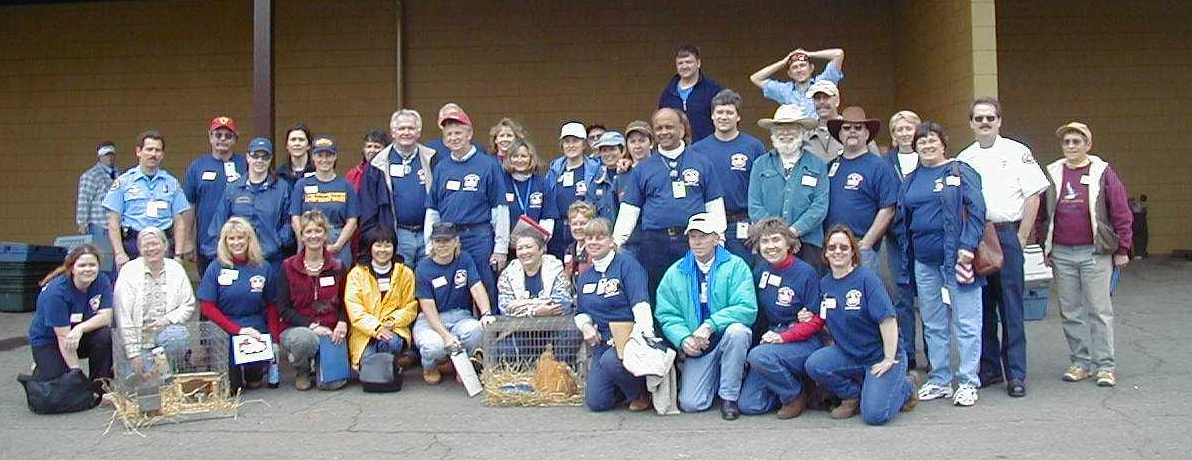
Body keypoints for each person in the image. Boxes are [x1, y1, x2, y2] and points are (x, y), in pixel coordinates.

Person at [957, 96, 1049, 397]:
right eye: (979, 118)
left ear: (999, 121)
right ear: (971, 123)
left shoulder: (1017, 151)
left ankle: (1016, 374)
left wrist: (1022, 237)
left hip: (1008, 233)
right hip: (978, 235)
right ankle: (989, 369)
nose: (985, 123)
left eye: (990, 118)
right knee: (981, 306)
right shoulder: (964, 159)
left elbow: (1034, 195)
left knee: (1011, 307)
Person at [898, 122, 987, 407]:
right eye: (921, 141)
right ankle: (939, 379)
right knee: (934, 323)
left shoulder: (959, 171)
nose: (926, 145)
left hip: (958, 259)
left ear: (943, 142)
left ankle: (968, 382)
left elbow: (977, 212)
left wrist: (968, 247)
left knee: (966, 321)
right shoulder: (911, 178)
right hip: (924, 261)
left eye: (932, 140)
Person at [1044, 122, 1133, 388]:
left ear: (1088, 145)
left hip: (1095, 252)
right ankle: (1080, 362)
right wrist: (1044, 245)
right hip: (1061, 252)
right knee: (1070, 311)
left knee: (1099, 310)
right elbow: (1042, 214)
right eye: (1067, 142)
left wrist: (1123, 248)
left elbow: (1120, 211)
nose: (1071, 146)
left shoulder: (1103, 173)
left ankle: (1105, 366)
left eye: (1076, 142)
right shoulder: (1052, 173)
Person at [805, 226, 922, 425]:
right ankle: (854, 395)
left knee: (875, 416)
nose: (838, 251)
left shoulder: (867, 279)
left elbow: (888, 320)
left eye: (844, 247)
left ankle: (906, 386)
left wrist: (888, 358)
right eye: (832, 247)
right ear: (825, 252)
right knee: (814, 364)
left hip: (880, 355)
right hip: (849, 354)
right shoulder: (825, 284)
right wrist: (805, 314)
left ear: (853, 251)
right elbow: (820, 314)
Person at [614, 108, 726, 298]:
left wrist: (719, 238)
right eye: (659, 128)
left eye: (669, 127)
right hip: (654, 244)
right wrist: (616, 241)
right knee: (657, 294)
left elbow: (714, 204)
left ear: (682, 130)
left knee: (696, 293)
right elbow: (629, 209)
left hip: (693, 240)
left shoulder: (702, 162)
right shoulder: (643, 169)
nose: (663, 132)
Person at [655, 213, 757, 420]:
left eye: (703, 236)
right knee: (692, 404)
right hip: (698, 345)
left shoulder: (736, 266)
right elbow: (667, 314)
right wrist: (683, 339)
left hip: (725, 337)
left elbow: (747, 308)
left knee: (739, 332)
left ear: (717, 238)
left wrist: (710, 325)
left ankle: (729, 397)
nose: (697, 242)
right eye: (693, 237)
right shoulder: (675, 272)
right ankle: (720, 374)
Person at [423, 105, 509, 309]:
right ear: (444, 138)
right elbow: (432, 210)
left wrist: (501, 248)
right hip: (447, 238)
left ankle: (491, 335)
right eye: (449, 134)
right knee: (454, 290)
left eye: (458, 133)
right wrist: (429, 244)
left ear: (469, 134)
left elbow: (500, 208)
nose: (454, 138)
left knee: (486, 287)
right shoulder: (442, 167)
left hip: (479, 236)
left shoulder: (488, 165)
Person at [738, 218, 823, 418]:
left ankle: (795, 395)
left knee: (759, 356)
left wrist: (784, 337)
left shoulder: (806, 273)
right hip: (771, 338)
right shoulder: (760, 271)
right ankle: (795, 382)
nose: (771, 247)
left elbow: (816, 320)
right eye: (765, 242)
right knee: (750, 405)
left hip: (802, 340)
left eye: (776, 240)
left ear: (788, 243)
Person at [573, 218, 652, 412]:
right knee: (597, 403)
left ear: (611, 241)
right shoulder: (585, 276)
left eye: (600, 237)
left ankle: (640, 393)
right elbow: (581, 312)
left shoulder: (627, 265)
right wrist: (586, 327)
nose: (593, 242)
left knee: (611, 361)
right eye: (589, 238)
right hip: (602, 343)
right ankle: (620, 387)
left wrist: (645, 336)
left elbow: (640, 303)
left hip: (629, 339)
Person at [198, 217, 282, 392]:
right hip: (225, 327)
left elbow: (272, 306)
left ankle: (257, 370)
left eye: (241, 238)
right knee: (232, 389)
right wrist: (238, 330)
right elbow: (207, 307)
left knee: (254, 383)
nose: (236, 243)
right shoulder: (215, 267)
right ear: (225, 242)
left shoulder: (263, 267)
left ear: (249, 239)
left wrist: (274, 339)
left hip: (254, 325)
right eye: (231, 238)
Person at [413, 223, 496, 384]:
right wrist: (446, 336)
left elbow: (476, 287)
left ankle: (467, 366)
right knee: (434, 346)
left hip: (460, 316)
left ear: (456, 241)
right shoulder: (423, 267)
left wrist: (486, 313)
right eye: (438, 241)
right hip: (431, 319)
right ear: (432, 243)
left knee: (476, 330)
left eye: (447, 240)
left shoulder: (464, 258)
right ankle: (430, 366)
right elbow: (427, 306)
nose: (442, 245)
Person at [749, 104, 829, 272]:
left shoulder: (818, 165)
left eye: (791, 127)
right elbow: (754, 205)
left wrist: (793, 232)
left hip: (808, 244)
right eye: (780, 128)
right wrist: (778, 235)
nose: (785, 133)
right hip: (769, 245)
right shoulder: (760, 164)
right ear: (772, 134)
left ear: (802, 131)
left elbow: (820, 206)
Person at [277, 211, 350, 391]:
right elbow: (283, 309)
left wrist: (342, 321)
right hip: (299, 329)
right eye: (308, 232)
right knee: (304, 340)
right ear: (301, 236)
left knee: (332, 384)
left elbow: (346, 301)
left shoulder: (338, 267)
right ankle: (302, 371)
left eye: (318, 231)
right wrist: (312, 326)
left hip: (331, 331)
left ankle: (322, 366)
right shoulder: (288, 266)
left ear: (325, 235)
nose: (313, 236)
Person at [27, 245, 113, 395]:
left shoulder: (101, 280)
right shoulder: (56, 293)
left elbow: (106, 317)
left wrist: (80, 328)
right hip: (51, 341)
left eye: (92, 265)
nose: (88, 269)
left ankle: (100, 385)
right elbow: (63, 338)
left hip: (78, 334)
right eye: (82, 265)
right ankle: (41, 366)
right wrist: (77, 375)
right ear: (72, 268)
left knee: (104, 335)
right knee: (61, 385)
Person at [692, 89, 767, 261]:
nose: (724, 117)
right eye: (719, 112)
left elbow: (764, 188)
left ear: (738, 116)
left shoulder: (754, 147)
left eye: (729, 112)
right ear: (712, 116)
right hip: (707, 225)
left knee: (744, 273)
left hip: (742, 223)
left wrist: (758, 223)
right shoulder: (697, 150)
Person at [824, 106, 900, 272]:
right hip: (832, 247)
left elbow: (888, 209)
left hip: (861, 245)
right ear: (840, 134)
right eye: (847, 128)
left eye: (858, 128)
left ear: (867, 134)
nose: (852, 131)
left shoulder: (879, 166)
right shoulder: (830, 166)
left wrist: (867, 243)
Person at [359, 109, 438, 268]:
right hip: (397, 234)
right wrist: (376, 238)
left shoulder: (433, 159)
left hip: (429, 233)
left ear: (418, 132)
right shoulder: (377, 164)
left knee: (428, 282)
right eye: (401, 129)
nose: (406, 132)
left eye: (410, 128)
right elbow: (368, 207)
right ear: (393, 132)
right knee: (401, 283)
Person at [104, 130, 191, 271]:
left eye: (157, 150)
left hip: (164, 243)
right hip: (133, 244)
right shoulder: (124, 182)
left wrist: (178, 255)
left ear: (162, 155)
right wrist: (119, 253)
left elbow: (179, 221)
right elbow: (113, 220)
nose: (153, 154)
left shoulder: (171, 183)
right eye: (149, 149)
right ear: (138, 151)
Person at [205, 137, 293, 271]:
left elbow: (289, 221)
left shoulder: (282, 188)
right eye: (255, 156)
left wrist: (278, 241)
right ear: (248, 157)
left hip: (271, 261)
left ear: (270, 159)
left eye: (265, 157)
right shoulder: (233, 189)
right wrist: (217, 255)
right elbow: (219, 223)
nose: (260, 161)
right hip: (238, 261)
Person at [113, 227, 195, 369]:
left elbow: (188, 304)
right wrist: (133, 354)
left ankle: (174, 368)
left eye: (155, 244)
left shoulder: (176, 268)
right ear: (139, 249)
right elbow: (123, 315)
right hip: (139, 341)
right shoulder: (128, 271)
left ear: (165, 245)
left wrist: (167, 320)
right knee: (142, 382)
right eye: (146, 245)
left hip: (166, 332)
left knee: (177, 336)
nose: (151, 248)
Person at [881, 110, 923, 368]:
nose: (904, 133)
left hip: (925, 238)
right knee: (902, 297)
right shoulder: (885, 162)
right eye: (899, 130)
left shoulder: (929, 157)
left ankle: (932, 352)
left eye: (909, 128)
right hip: (897, 239)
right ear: (893, 136)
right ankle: (907, 352)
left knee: (930, 299)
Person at [344, 225, 418, 371]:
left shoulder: (405, 273)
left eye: (387, 245)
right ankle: (395, 364)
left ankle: (393, 365)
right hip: (365, 331)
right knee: (366, 365)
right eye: (378, 245)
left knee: (390, 343)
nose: (382, 250)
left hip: (394, 330)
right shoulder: (357, 273)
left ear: (394, 247)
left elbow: (410, 307)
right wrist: (376, 327)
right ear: (370, 247)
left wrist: (391, 322)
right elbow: (355, 309)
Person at [184, 116, 246, 274]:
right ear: (210, 137)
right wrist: (187, 240)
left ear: (235, 139)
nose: (223, 139)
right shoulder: (197, 166)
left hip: (242, 241)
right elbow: (189, 205)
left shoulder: (246, 164)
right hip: (208, 243)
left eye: (228, 136)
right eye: (218, 135)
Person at [289, 135, 359, 269]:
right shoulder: (302, 184)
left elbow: (352, 220)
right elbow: (295, 217)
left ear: (335, 157)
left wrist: (338, 245)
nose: (324, 160)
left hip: (338, 242)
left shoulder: (345, 185)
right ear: (313, 157)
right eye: (320, 155)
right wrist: (304, 239)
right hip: (309, 239)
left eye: (329, 155)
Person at [545, 121, 601, 258]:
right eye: (567, 141)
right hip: (557, 230)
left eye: (575, 141)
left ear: (583, 144)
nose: (571, 145)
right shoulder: (554, 169)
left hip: (584, 229)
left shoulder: (595, 169)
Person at [497, 227, 572, 317]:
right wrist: (534, 312)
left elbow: (563, 304)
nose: (524, 252)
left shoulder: (556, 269)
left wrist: (521, 304)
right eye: (520, 248)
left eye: (528, 247)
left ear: (541, 250)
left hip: (554, 327)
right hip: (518, 329)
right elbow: (505, 308)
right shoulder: (507, 274)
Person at [658, 44, 724, 142]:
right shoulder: (668, 94)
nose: (684, 66)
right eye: (680, 63)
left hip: (706, 149)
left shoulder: (713, 91)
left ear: (698, 63)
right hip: (677, 150)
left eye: (688, 62)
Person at [750, 48, 845, 114]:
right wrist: (783, 62)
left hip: (819, 138)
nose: (799, 70)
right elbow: (755, 78)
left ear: (811, 68)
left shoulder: (823, 82)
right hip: (794, 138)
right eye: (794, 67)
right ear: (789, 74)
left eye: (803, 65)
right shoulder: (784, 90)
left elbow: (838, 54)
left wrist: (809, 54)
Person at [77, 141, 120, 274]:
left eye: (112, 154)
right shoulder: (90, 175)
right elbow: (84, 199)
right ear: (100, 156)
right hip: (99, 224)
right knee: (103, 260)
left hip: (116, 225)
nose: (110, 157)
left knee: (115, 261)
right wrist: (82, 223)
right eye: (106, 155)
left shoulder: (119, 174)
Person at [502, 140, 555, 238]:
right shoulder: (502, 181)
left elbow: (548, 216)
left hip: (535, 243)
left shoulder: (542, 183)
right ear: (509, 159)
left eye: (523, 156)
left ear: (531, 158)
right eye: (515, 156)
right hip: (506, 243)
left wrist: (541, 241)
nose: (519, 160)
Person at [587, 131, 628, 222]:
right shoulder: (596, 179)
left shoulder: (631, 175)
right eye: (604, 150)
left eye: (612, 149)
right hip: (602, 234)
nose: (608, 154)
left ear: (622, 150)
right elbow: (589, 210)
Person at [803, 80, 844, 162]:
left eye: (826, 97)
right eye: (817, 98)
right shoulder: (806, 136)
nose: (821, 102)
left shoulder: (852, 130)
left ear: (837, 101)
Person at [564, 200, 598, 286]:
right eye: (574, 224)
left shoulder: (597, 250)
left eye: (583, 223)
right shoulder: (569, 250)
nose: (578, 227)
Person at [346, 129, 391, 193]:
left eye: (377, 147)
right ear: (364, 150)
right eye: (369, 146)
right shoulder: (353, 174)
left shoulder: (391, 172)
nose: (372, 150)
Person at [275, 123, 315, 189]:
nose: (297, 143)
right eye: (293, 140)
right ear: (287, 145)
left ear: (309, 145)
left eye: (301, 139)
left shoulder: (317, 171)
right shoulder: (279, 174)